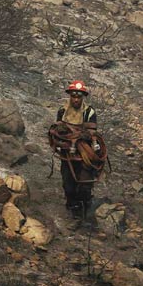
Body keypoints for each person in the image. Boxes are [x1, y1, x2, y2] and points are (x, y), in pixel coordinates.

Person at [55, 80, 99, 218]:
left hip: (84, 153)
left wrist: (81, 135)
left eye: (78, 97)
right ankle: (73, 208)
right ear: (70, 96)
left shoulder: (89, 112)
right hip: (67, 153)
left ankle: (85, 206)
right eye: (73, 96)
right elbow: (57, 130)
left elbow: (91, 131)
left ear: (82, 97)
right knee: (68, 183)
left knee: (85, 183)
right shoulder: (62, 111)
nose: (75, 99)